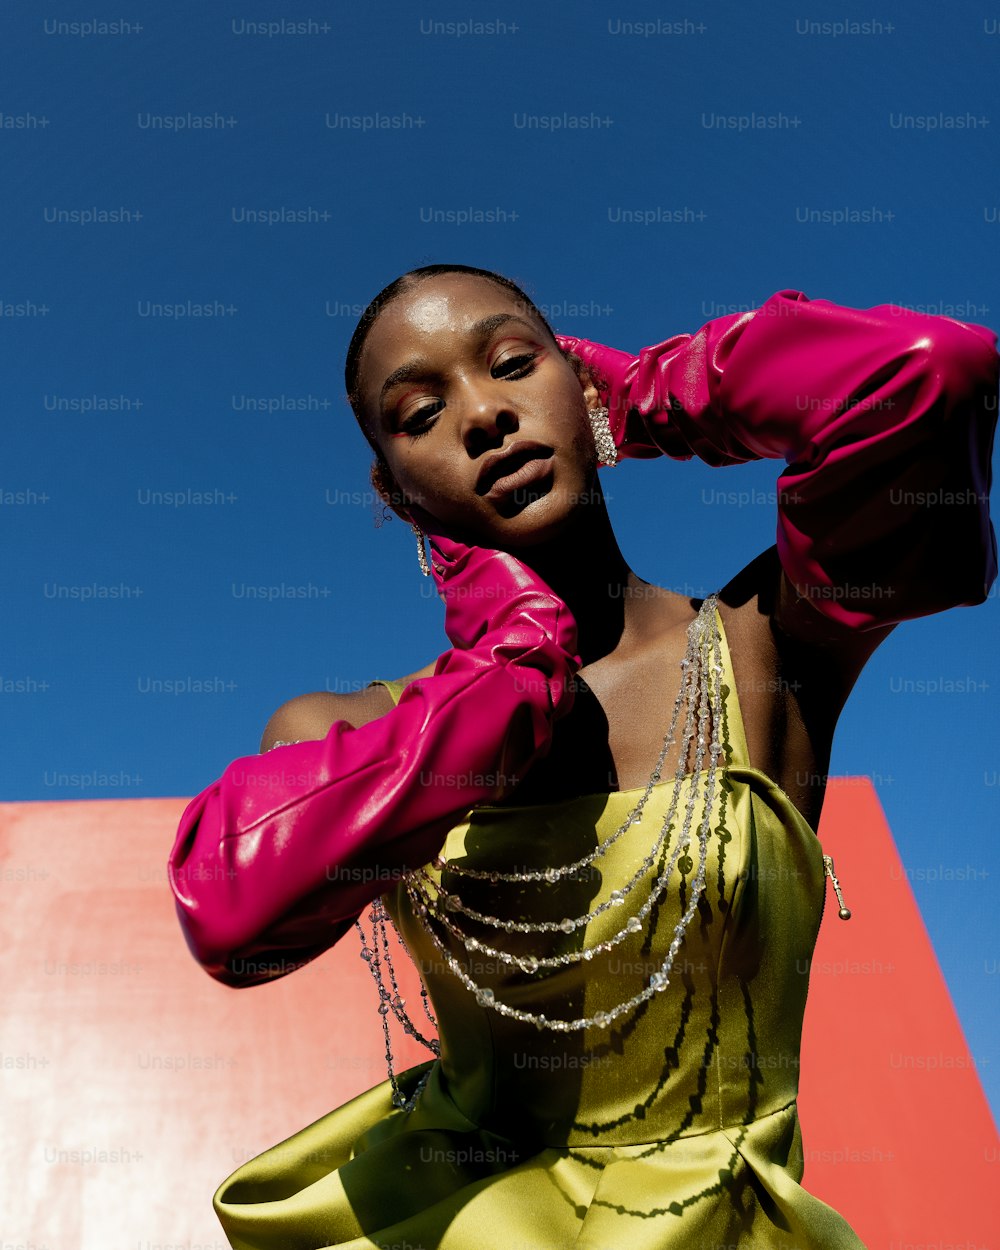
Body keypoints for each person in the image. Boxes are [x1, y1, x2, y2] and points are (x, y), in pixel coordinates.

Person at [167, 263, 999, 1249]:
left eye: (513, 363)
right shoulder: (342, 728)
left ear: (582, 385)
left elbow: (925, 375)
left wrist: (651, 398)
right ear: (396, 494)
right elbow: (232, 904)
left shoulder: (766, 646)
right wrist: (515, 661)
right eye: (420, 413)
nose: (483, 414)